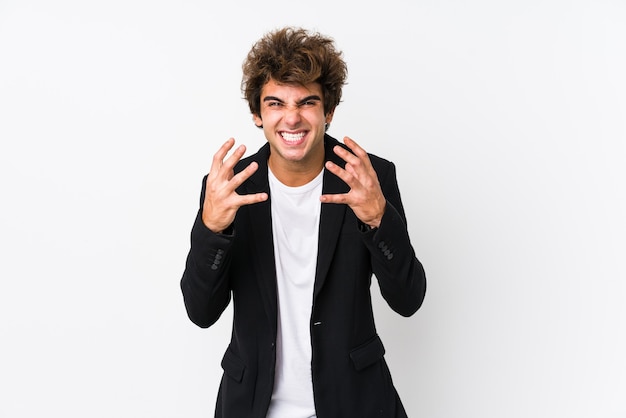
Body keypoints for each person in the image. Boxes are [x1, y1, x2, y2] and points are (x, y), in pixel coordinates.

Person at [180, 26, 427, 418]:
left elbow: (408, 299)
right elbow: (200, 311)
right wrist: (213, 229)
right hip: (253, 406)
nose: (291, 118)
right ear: (257, 114)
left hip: (357, 403)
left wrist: (379, 219)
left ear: (328, 111)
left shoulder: (367, 177)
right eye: (276, 103)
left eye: (307, 102)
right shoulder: (228, 188)